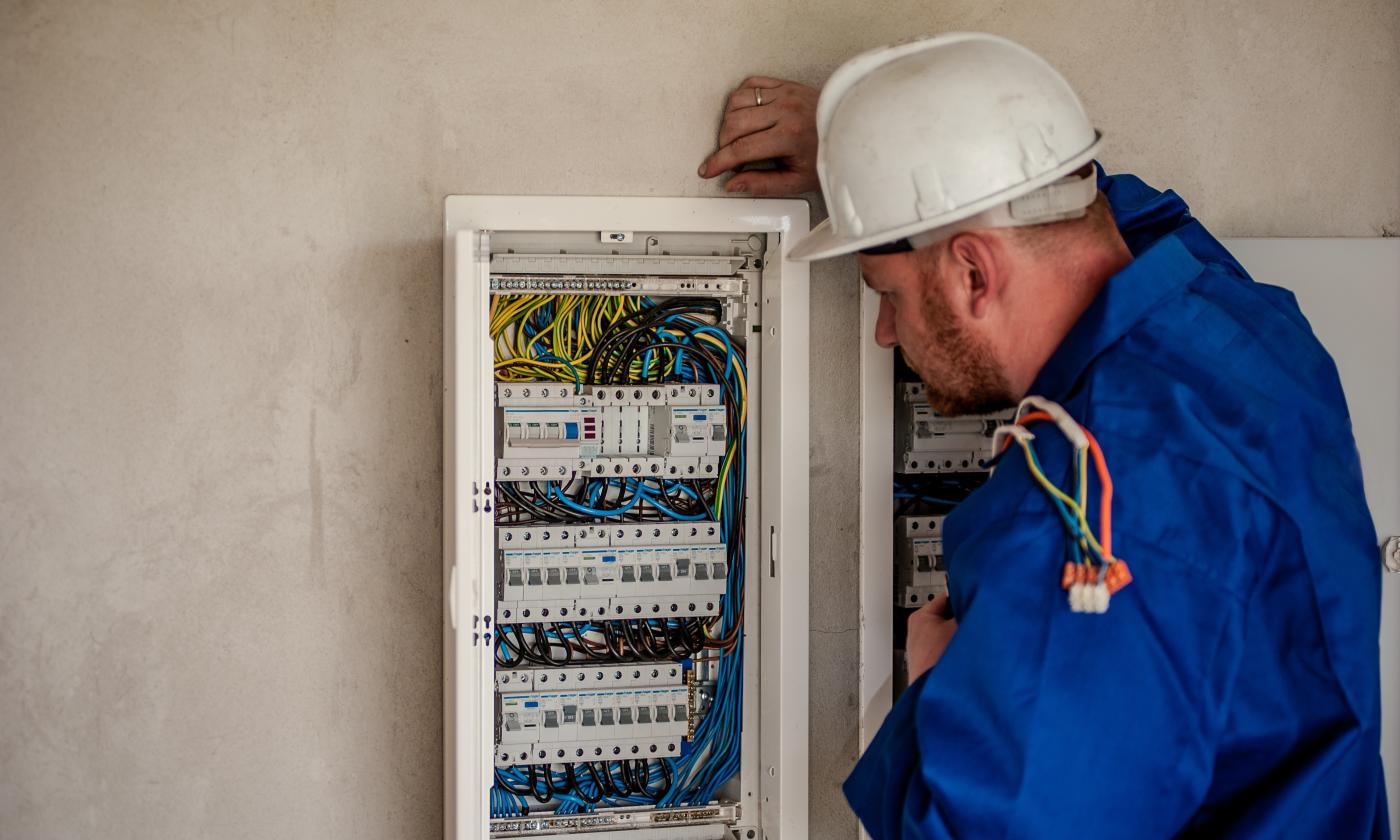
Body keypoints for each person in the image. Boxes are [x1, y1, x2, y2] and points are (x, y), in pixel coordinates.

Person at [700, 32, 1388, 838]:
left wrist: (937, 691)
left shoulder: (1083, 517)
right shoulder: (1250, 328)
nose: (884, 330)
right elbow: (1111, 211)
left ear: (972, 274)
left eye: (884, 291)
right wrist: (873, 157)